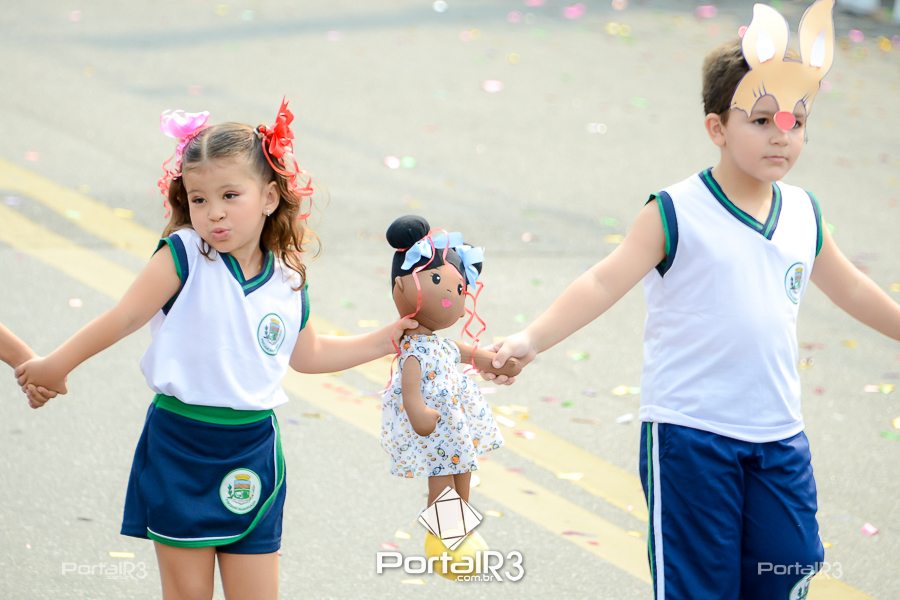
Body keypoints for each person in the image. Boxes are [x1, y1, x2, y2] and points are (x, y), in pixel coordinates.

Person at [490, 1, 900, 598]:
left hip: (778, 436)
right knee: (700, 587)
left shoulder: (803, 213)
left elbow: (851, 287)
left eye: (797, 121)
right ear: (717, 128)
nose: (781, 135)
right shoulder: (676, 210)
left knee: (787, 570)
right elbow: (603, 281)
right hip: (690, 435)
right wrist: (530, 339)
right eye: (762, 119)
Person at [16, 100, 416, 600]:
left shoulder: (288, 276)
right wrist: (54, 365)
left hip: (254, 449)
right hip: (180, 446)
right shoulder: (183, 254)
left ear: (269, 196)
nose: (214, 212)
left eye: (230, 194)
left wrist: (388, 338)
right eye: (199, 199)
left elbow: (308, 355)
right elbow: (125, 317)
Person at [381, 215, 519, 507]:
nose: (451, 294)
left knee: (463, 471)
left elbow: (475, 356)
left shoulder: (444, 346)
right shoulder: (414, 352)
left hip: (455, 425)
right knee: (442, 477)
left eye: (459, 289)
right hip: (436, 426)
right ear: (401, 287)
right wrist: (418, 412)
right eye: (436, 279)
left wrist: (498, 362)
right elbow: (410, 391)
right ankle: (445, 531)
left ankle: (459, 526)